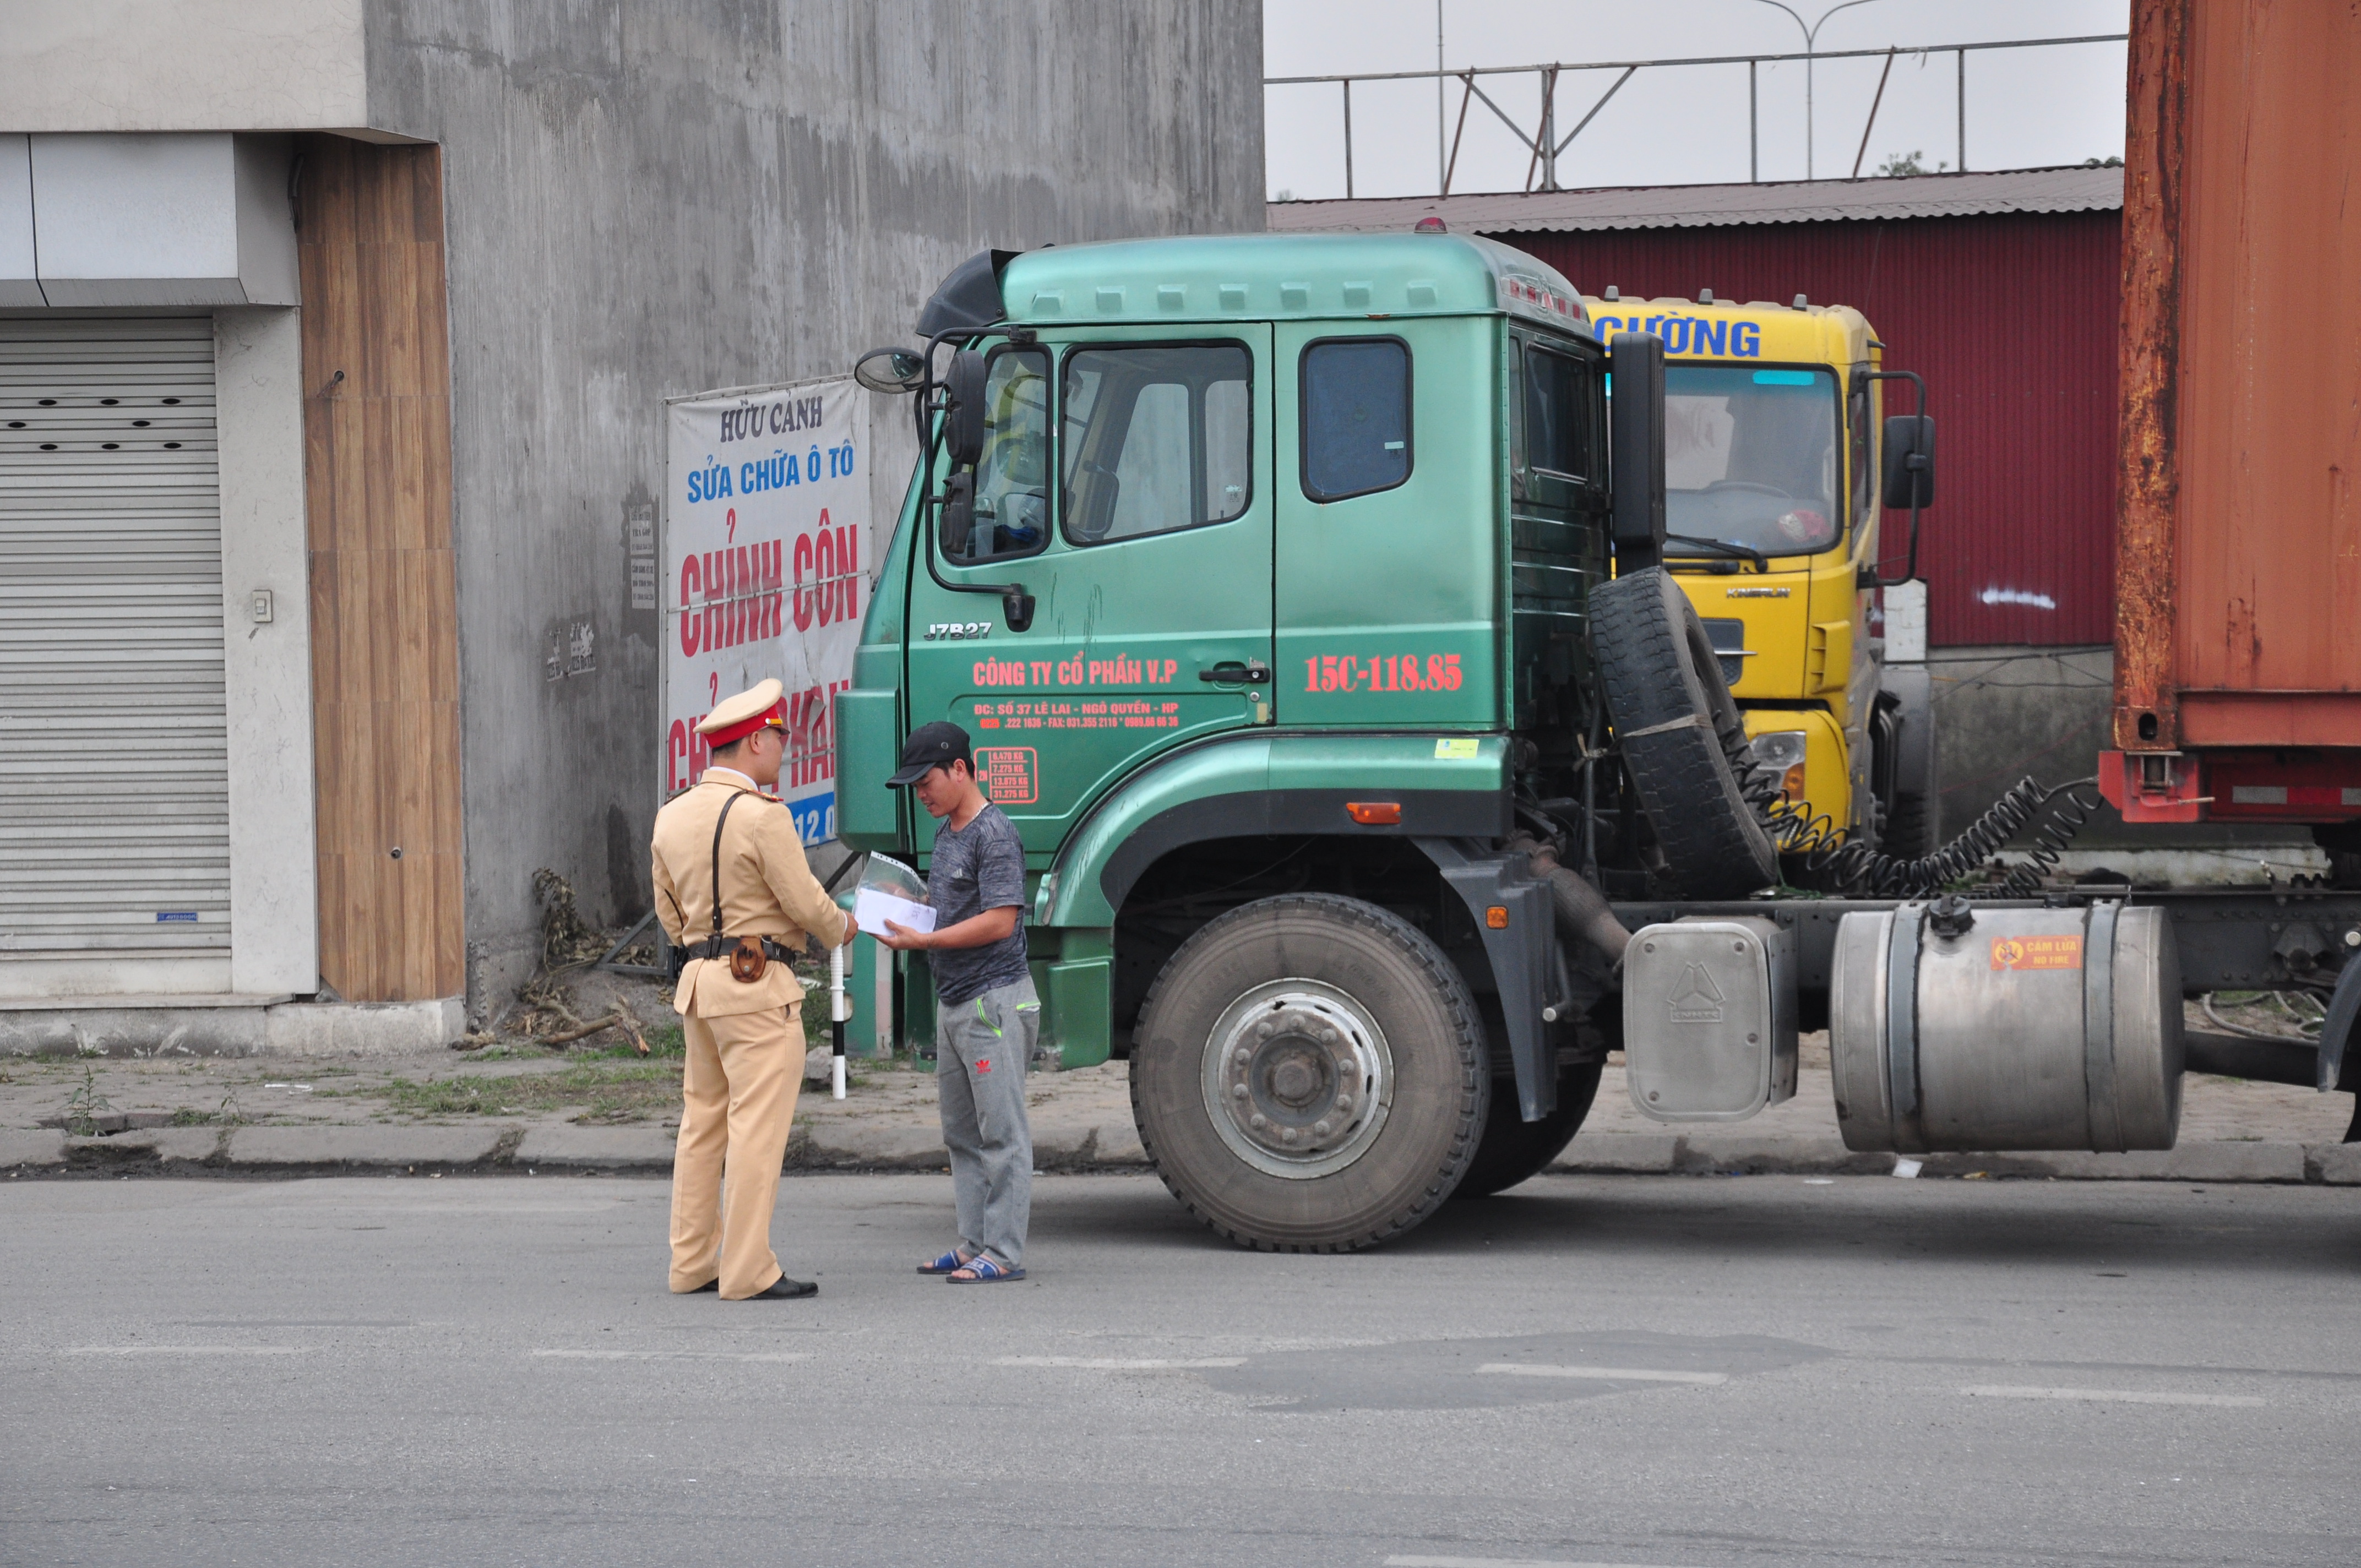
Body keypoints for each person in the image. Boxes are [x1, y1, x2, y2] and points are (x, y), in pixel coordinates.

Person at [650, 678, 855, 1301]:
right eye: (779, 739)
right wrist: (841, 927)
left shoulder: (672, 814)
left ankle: (691, 1264)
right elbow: (806, 902)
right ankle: (746, 1270)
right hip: (760, 986)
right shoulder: (765, 816)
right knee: (754, 1133)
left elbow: (666, 909)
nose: (783, 750)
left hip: (700, 984)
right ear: (757, 741)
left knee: (702, 1127)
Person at [874, 721, 1037, 1284]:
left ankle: (1005, 1252)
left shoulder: (994, 834)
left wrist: (923, 938)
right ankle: (973, 1243)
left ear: (961, 770)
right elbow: (955, 909)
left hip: (993, 1003)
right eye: (915, 786)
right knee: (962, 1133)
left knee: (1002, 1132)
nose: (921, 794)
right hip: (956, 1003)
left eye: (926, 781)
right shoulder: (949, 833)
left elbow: (999, 920)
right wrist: (914, 902)